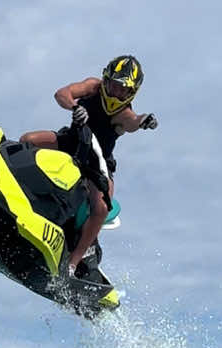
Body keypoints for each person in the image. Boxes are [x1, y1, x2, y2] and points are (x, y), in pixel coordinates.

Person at [18, 55, 158, 275]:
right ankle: (18, 197)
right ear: (106, 78)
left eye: (123, 89)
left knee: (102, 207)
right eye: (114, 84)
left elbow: (132, 122)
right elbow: (62, 93)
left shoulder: (124, 112)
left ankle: (72, 264)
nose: (116, 92)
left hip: (98, 161)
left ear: (131, 93)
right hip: (72, 142)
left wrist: (143, 121)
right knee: (27, 141)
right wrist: (74, 107)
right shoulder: (93, 87)